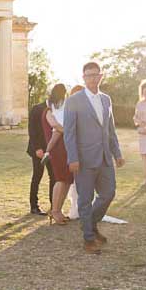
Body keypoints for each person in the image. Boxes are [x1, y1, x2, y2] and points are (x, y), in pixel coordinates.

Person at [62, 61, 125, 254]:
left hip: (105, 157)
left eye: (95, 75)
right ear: (84, 78)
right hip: (83, 159)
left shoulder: (106, 99)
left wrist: (117, 153)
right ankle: (89, 238)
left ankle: (89, 223)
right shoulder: (73, 101)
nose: (91, 78)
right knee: (85, 199)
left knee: (108, 193)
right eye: (88, 75)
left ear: (100, 76)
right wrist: (73, 158)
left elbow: (110, 129)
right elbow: (69, 133)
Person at [42, 83, 71, 225]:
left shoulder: (61, 108)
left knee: (67, 179)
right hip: (57, 148)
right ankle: (54, 210)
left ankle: (58, 209)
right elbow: (55, 125)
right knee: (61, 178)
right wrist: (69, 132)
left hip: (65, 147)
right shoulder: (48, 110)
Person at [26, 93, 50, 214]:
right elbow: (32, 130)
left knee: (54, 178)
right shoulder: (36, 109)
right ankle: (34, 206)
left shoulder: (57, 110)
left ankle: (54, 205)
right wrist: (37, 148)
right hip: (38, 150)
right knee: (37, 176)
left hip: (51, 150)